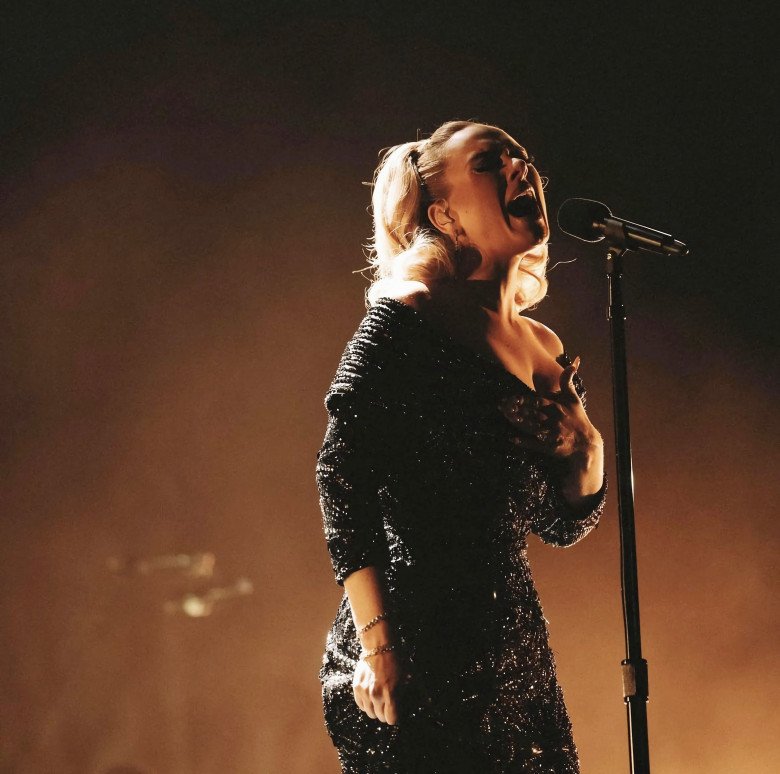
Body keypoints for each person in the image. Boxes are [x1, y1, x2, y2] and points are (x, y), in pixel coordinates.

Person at [315, 120, 607, 773]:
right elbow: (340, 474)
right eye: (489, 161)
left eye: (521, 157)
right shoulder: (408, 316)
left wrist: (586, 451)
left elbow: (557, 525)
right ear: (443, 215)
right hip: (415, 647)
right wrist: (379, 648)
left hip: (510, 655)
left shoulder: (545, 349)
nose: (519, 168)